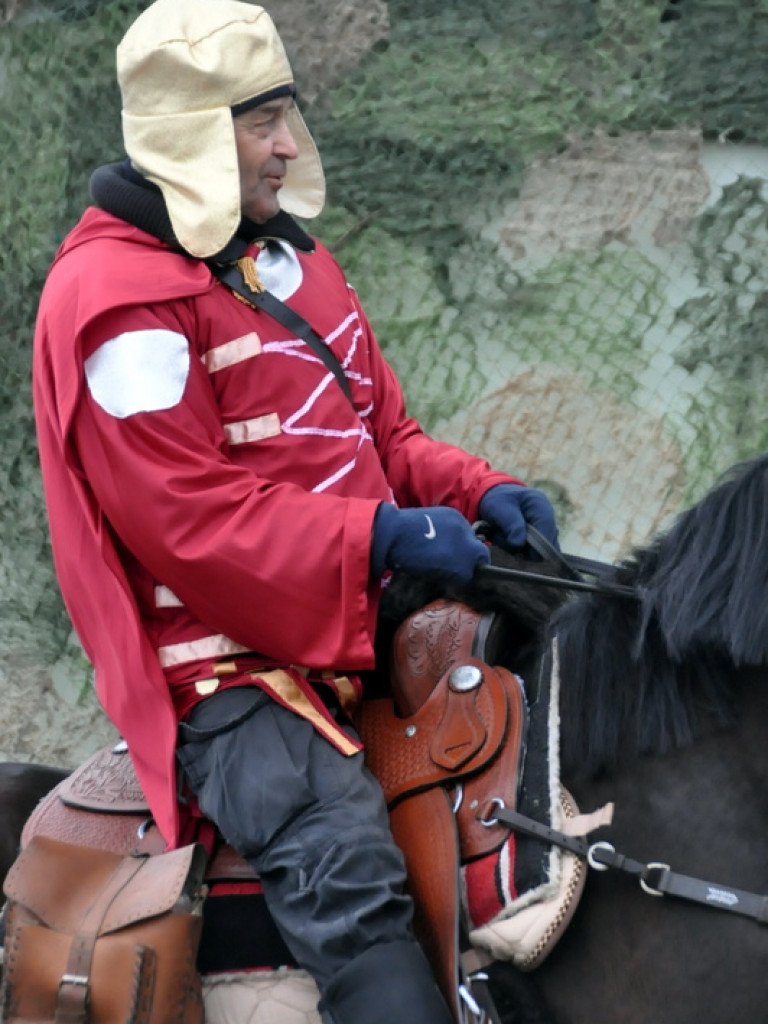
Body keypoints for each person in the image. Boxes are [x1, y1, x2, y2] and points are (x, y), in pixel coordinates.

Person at [32, 1, 558, 1021]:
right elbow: (188, 520)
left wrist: (473, 488)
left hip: (360, 623)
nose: (288, 145)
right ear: (190, 132)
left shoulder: (288, 260)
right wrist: (381, 536)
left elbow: (386, 439)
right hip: (229, 678)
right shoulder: (114, 301)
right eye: (260, 121)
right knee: (354, 886)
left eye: (287, 116)